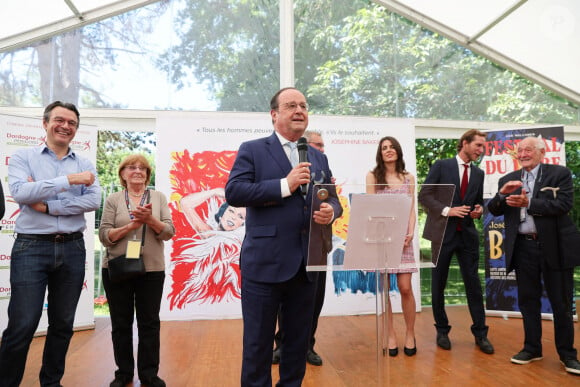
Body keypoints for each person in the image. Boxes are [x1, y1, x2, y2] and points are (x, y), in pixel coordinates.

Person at [225, 87, 343, 386]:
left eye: (303, 105)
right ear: (274, 114)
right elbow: (234, 192)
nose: (300, 110)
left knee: (296, 345)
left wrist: (331, 210)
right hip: (265, 263)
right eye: (291, 105)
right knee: (258, 346)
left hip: (307, 264)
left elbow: (333, 199)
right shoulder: (252, 149)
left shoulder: (318, 157)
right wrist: (284, 185)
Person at [0, 101, 101, 387]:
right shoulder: (23, 157)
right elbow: (20, 192)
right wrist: (70, 180)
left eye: (71, 123)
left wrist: (47, 206)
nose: (65, 126)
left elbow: (93, 200)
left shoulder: (86, 164)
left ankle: (51, 383)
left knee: (62, 325)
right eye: (59, 119)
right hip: (31, 247)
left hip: (72, 247)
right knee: (22, 324)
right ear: (45, 123)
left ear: (76, 129)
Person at [487, 136, 580, 375]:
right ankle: (532, 348)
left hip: (554, 246)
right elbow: (495, 209)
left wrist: (529, 203)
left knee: (561, 302)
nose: (523, 153)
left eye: (528, 149)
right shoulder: (508, 179)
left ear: (542, 152)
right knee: (528, 301)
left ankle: (568, 355)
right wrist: (500, 195)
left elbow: (564, 205)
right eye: (520, 150)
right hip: (523, 247)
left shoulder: (559, 174)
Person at [99, 154, 175, 387]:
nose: (138, 171)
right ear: (122, 174)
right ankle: (123, 373)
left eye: (143, 168)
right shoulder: (113, 199)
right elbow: (104, 236)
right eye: (131, 167)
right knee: (121, 323)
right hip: (117, 267)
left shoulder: (159, 198)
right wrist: (133, 224)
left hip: (151, 269)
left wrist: (150, 220)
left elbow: (169, 232)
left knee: (149, 322)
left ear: (147, 175)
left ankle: (149, 375)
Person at [418, 129, 494, 354]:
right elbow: (425, 195)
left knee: (473, 286)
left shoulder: (478, 174)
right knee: (438, 284)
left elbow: (477, 202)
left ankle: (481, 334)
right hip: (442, 234)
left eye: (483, 147)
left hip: (467, 236)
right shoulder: (442, 165)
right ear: (465, 143)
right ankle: (442, 330)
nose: (481, 150)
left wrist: (479, 210)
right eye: (478, 146)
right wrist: (447, 210)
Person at [272, 129, 333, 366]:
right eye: (317, 144)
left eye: (323, 145)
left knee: (315, 300)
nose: (321, 149)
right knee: (284, 302)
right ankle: (282, 345)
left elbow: (333, 200)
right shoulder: (288, 168)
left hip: (318, 243)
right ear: (303, 145)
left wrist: (331, 211)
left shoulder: (324, 166)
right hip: (288, 245)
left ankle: (308, 345)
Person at [366, 136, 417, 357]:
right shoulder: (372, 176)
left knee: (405, 288)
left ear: (398, 150)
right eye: (384, 148)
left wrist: (411, 231)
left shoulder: (408, 178)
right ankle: (390, 335)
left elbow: (412, 209)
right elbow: (370, 207)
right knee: (384, 289)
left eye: (392, 147)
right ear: (380, 152)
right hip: (383, 238)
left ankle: (410, 334)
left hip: (404, 239)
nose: (388, 150)